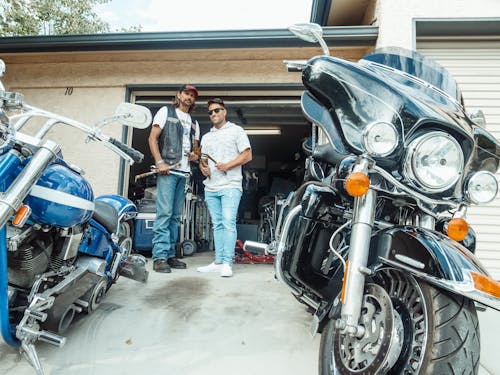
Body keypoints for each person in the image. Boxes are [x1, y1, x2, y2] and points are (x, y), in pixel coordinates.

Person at [197, 98, 252, 277]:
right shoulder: (207, 136)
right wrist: (203, 168)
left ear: (224, 111)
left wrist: (228, 165)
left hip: (230, 185)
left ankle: (228, 262)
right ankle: (218, 261)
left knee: (228, 223)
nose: (213, 114)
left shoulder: (236, 131)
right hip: (211, 187)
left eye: (217, 110)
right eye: (210, 112)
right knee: (217, 225)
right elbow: (203, 161)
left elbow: (247, 155)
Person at [148, 84, 200, 273]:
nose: (189, 97)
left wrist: (195, 155)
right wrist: (160, 161)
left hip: (184, 173)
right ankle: (159, 257)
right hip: (168, 171)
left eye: (192, 95)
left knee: (176, 216)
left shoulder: (194, 123)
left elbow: (195, 149)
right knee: (165, 214)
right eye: (186, 93)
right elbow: (152, 138)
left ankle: (170, 255)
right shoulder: (166, 111)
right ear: (178, 95)